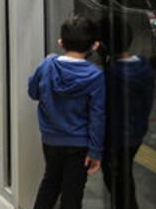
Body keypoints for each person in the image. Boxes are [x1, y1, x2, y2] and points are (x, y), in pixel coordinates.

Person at [28, 15, 106, 209]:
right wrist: (96, 151)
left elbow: (33, 92)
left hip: (51, 139)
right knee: (73, 192)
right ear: (95, 45)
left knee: (50, 183)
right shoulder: (95, 76)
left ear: (61, 43)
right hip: (79, 144)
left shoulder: (48, 65)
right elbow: (98, 116)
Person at [103, 16, 155, 209]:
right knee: (125, 179)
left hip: (115, 140)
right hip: (136, 135)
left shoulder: (111, 76)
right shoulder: (144, 67)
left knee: (119, 186)